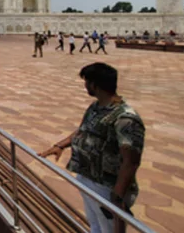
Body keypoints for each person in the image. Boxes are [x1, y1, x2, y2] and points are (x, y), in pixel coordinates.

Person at [39, 63, 144, 233]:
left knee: (109, 228)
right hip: (87, 175)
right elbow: (84, 130)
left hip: (106, 185)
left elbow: (131, 161)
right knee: (95, 223)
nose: (85, 85)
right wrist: (60, 146)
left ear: (95, 84)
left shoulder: (125, 117)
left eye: (87, 81)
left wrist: (118, 195)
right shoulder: (96, 107)